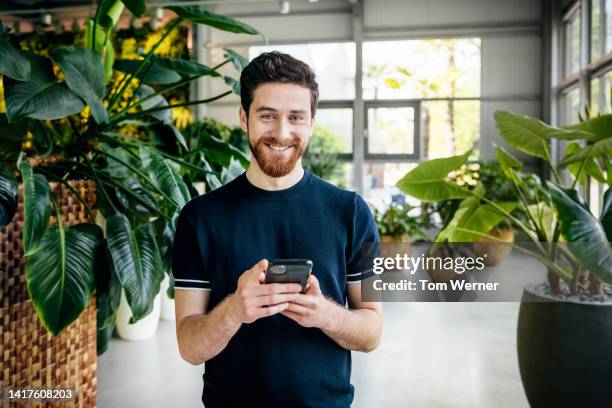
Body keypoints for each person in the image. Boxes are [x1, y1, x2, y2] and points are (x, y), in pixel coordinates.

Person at [172, 51, 382, 408]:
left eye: (296, 117)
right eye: (267, 116)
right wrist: (235, 309)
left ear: (312, 122)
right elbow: (190, 347)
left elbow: (372, 332)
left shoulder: (352, 213)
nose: (282, 133)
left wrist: (324, 313)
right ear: (244, 117)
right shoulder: (199, 218)